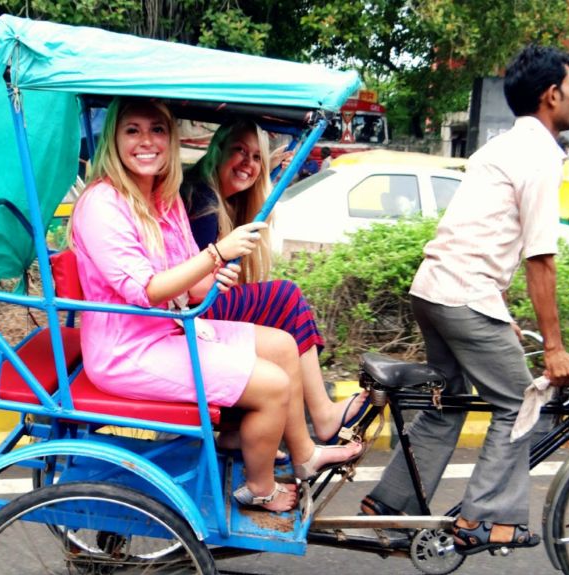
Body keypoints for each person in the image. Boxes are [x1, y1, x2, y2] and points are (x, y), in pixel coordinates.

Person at [69, 98, 361, 512]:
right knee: (273, 385)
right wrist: (217, 254)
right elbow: (147, 289)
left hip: (171, 329)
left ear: (171, 139)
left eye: (158, 130)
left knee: (281, 345)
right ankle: (260, 489)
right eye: (133, 130)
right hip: (129, 352)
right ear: (114, 139)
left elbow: (189, 279)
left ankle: (304, 455)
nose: (146, 141)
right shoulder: (102, 203)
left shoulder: (161, 198)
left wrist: (213, 275)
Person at [359, 44, 569, 555]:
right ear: (551, 96)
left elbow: (483, 238)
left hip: (434, 290)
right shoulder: (541, 156)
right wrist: (554, 346)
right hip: (464, 295)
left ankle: (390, 502)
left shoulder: (500, 147)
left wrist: (500, 317)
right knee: (521, 402)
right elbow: (540, 260)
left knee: (450, 399)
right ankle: (486, 519)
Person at [181, 119, 368, 442]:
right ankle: (322, 414)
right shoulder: (203, 201)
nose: (248, 163)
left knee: (278, 306)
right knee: (284, 296)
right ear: (218, 151)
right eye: (238, 151)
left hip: (196, 308)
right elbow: (197, 287)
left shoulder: (215, 195)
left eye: (256, 157)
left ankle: (238, 428)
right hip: (190, 314)